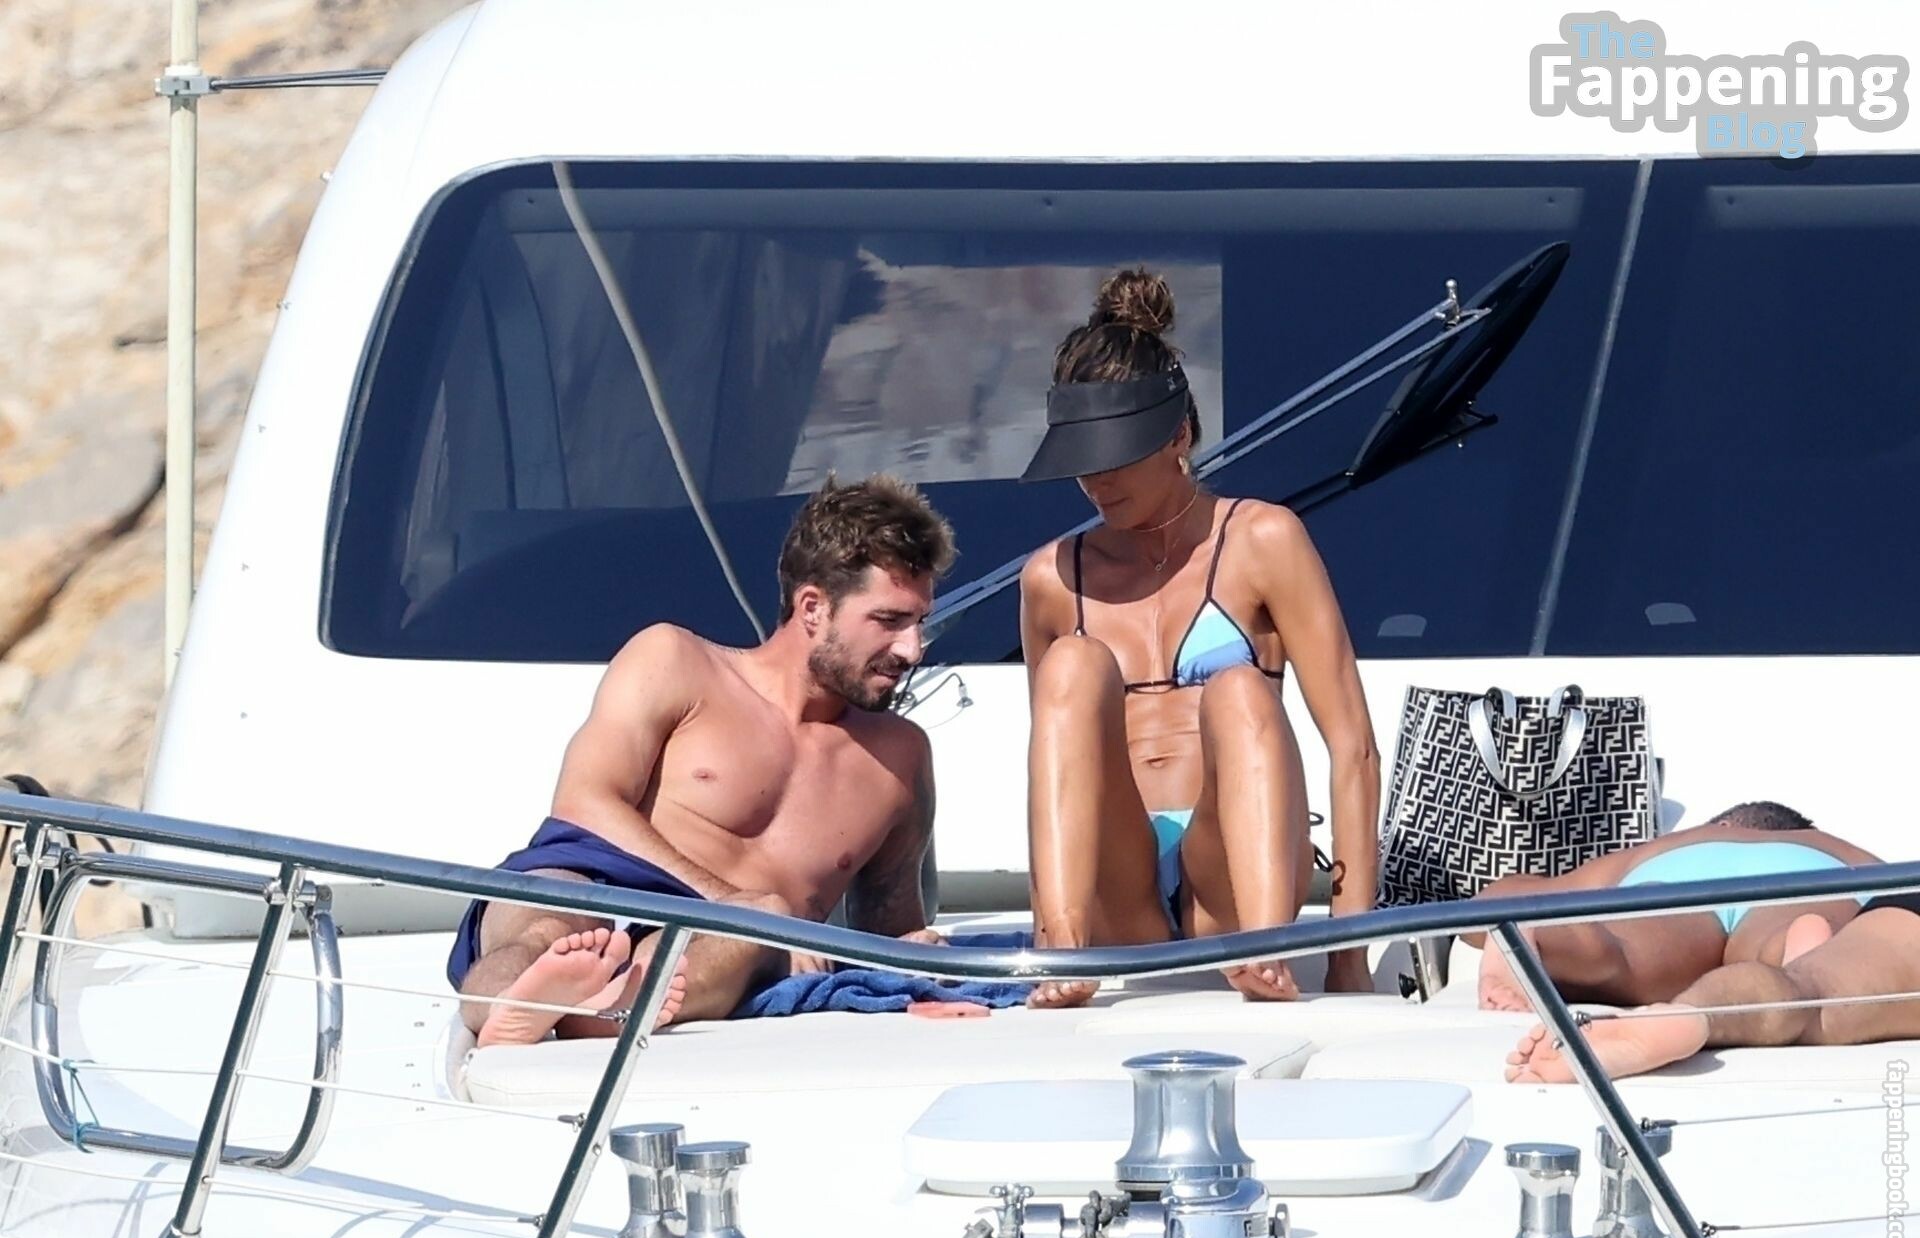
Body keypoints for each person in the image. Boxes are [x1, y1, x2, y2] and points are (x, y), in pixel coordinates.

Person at [446, 475, 957, 1045]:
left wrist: (912, 949)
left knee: (755, 925)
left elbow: (886, 932)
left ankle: (606, 1009)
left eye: (919, 622)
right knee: (545, 929)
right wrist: (732, 903)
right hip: (597, 879)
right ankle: (514, 1006)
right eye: (889, 621)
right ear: (812, 607)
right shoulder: (677, 662)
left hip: (723, 955)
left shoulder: (901, 757)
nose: (912, 650)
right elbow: (583, 801)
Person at [1015, 269, 1381, 1007]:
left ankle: (1267, 951)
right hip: (1120, 891)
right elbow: (1057, 769)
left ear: (1178, 435)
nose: (1096, 483)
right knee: (1073, 664)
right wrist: (1044, 923)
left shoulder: (1263, 539)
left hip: (1233, 881)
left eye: (1116, 457)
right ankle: (1063, 950)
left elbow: (1353, 749)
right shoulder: (1051, 579)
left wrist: (1349, 954)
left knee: (1239, 688)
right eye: (1082, 462)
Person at [1470, 801, 1880, 1012]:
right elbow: (1900, 896)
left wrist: (1510, 895)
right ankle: (1798, 942)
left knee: (1621, 947)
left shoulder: (1675, 843)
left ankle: (1543, 936)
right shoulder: (1830, 845)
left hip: (1680, 875)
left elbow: (1516, 893)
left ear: (1723, 824)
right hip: (1808, 875)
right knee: (1802, 933)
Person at [1507, 890, 1920, 1084]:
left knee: (1810, 993)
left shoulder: (1661, 853)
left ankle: (1692, 1013)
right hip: (1815, 899)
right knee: (1808, 984)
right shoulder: (1839, 852)